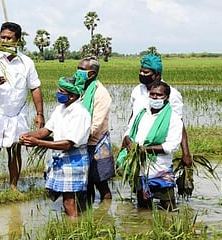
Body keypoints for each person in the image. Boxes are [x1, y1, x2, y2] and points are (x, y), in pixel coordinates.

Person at [0, 22, 44, 192]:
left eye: (9, 38)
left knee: (15, 150)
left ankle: (13, 186)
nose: (5, 41)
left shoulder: (26, 62)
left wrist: (39, 113)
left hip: (17, 113)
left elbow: (34, 87)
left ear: (18, 40)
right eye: (2, 37)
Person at [19, 76, 91, 217]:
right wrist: (28, 135)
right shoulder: (60, 109)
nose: (57, 93)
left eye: (61, 91)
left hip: (74, 159)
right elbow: (46, 131)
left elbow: (68, 143)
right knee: (67, 200)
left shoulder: (80, 114)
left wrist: (38, 143)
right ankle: (75, 224)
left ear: (71, 96)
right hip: (61, 158)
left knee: (69, 201)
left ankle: (74, 228)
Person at [121, 81, 183, 210]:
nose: (155, 97)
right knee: (143, 205)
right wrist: (128, 141)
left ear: (166, 97)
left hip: (160, 169)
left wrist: (145, 149)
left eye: (159, 95)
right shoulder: (141, 114)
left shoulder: (173, 118)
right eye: (152, 94)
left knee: (168, 206)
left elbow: (172, 146)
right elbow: (129, 131)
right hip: (140, 167)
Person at [129, 54, 192, 167]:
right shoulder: (137, 91)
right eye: (140, 71)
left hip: (159, 148)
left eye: (146, 72)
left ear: (157, 75)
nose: (141, 74)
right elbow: (133, 117)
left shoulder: (171, 94)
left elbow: (179, 124)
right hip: (137, 147)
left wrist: (186, 153)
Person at [76, 57, 114, 203]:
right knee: (86, 183)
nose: (77, 72)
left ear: (91, 74)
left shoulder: (100, 93)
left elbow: (96, 125)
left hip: (96, 143)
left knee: (101, 182)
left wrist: (75, 137)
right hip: (82, 142)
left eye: (81, 70)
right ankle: (88, 212)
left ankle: (104, 213)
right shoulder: (80, 89)